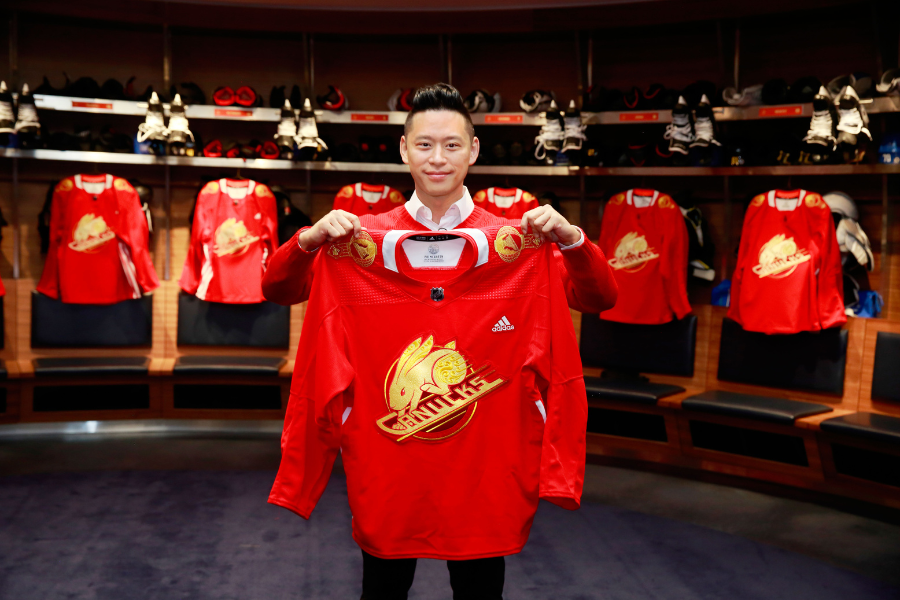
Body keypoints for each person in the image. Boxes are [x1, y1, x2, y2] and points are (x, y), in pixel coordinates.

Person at [265, 83, 618, 600]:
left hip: (486, 472)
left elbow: (600, 299)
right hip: (388, 468)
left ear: (473, 150)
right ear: (405, 150)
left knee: (480, 591)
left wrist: (575, 241)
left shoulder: (518, 245)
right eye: (425, 145)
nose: (438, 158)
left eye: (452, 145)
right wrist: (305, 240)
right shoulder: (355, 243)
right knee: (382, 588)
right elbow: (278, 289)